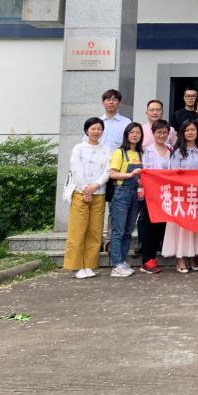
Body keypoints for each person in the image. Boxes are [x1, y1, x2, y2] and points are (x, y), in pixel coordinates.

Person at [62, 117, 111, 278]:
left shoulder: (106, 149)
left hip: (99, 193)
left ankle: (89, 265)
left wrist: (96, 185)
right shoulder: (79, 148)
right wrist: (86, 189)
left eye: (99, 129)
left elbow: (108, 170)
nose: (96, 132)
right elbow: (76, 169)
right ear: (86, 130)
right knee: (78, 230)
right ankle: (76, 266)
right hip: (80, 193)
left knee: (95, 231)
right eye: (93, 129)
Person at [163, 120, 198, 273]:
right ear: (182, 133)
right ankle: (180, 258)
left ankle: (192, 257)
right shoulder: (176, 153)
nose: (190, 132)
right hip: (180, 195)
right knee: (181, 227)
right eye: (187, 130)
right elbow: (172, 173)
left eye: (193, 130)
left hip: (197, 194)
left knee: (195, 227)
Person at [107, 122, 143, 278]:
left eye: (138, 132)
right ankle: (116, 264)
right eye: (132, 132)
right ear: (126, 134)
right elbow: (113, 174)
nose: (135, 135)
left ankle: (123, 260)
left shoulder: (141, 154)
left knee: (128, 230)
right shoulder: (120, 152)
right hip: (122, 193)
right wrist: (131, 174)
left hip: (136, 194)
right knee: (119, 231)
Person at [137, 119, 172, 274]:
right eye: (159, 132)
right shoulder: (148, 151)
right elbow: (145, 172)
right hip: (151, 194)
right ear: (153, 133)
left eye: (165, 132)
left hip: (165, 195)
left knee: (160, 227)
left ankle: (152, 259)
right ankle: (146, 261)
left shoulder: (171, 149)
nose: (162, 135)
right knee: (148, 227)